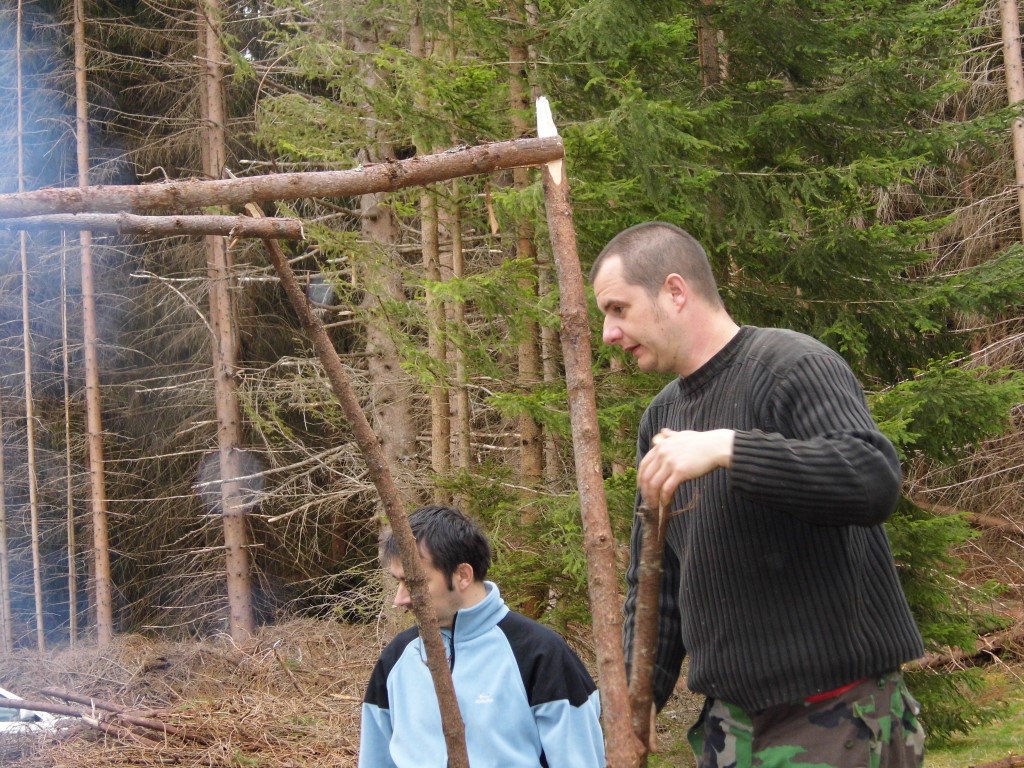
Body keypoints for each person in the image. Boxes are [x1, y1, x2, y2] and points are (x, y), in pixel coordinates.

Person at [590, 221, 926, 767]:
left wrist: (730, 448)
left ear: (675, 292)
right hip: (730, 730)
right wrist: (641, 691)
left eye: (618, 309)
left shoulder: (793, 367)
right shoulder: (662, 417)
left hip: (838, 715)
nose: (608, 332)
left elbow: (872, 478)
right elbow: (657, 577)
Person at [358, 505, 605, 768]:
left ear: (463, 575)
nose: (399, 599)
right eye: (398, 581)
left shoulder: (541, 655)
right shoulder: (398, 658)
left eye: (414, 582)